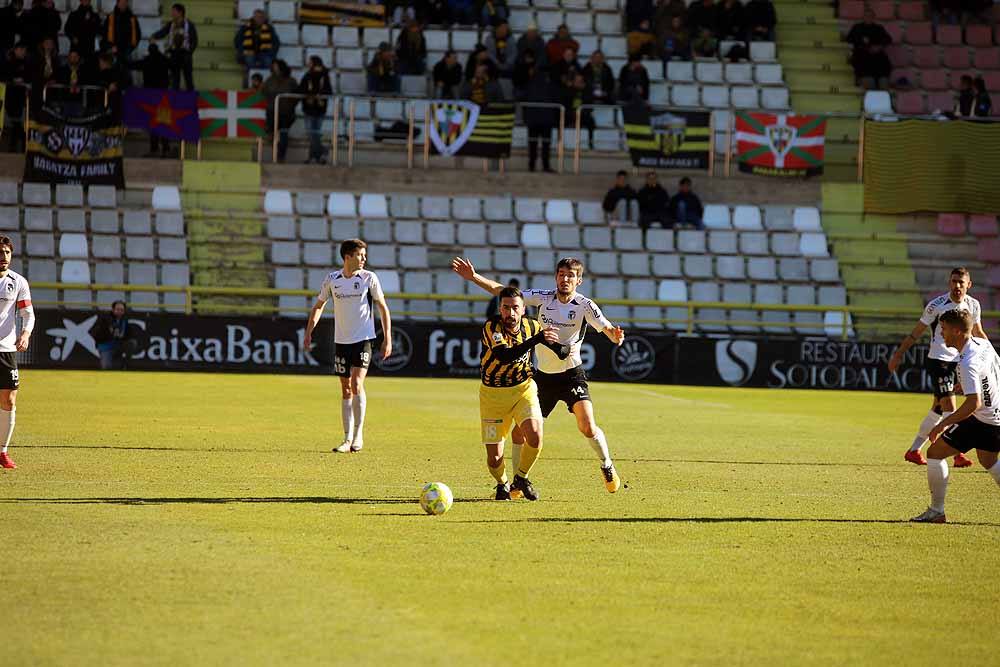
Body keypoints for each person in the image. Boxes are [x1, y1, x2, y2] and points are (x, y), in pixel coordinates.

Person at [454, 257, 625, 494]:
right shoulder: (543, 297)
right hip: (542, 376)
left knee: (586, 426)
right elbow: (504, 292)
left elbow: (606, 327)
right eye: (561, 274)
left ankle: (607, 465)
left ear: (579, 280)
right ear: (556, 277)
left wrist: (615, 336)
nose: (565, 279)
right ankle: (517, 480)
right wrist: (473, 277)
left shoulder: (585, 305)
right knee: (519, 433)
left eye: (571, 275)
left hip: (571, 374)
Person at [888, 267, 985, 469]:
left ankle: (914, 450)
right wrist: (898, 354)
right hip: (939, 361)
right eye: (954, 281)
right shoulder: (936, 305)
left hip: (960, 362)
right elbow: (916, 332)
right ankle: (957, 453)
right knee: (951, 408)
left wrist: (992, 356)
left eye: (961, 282)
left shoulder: (974, 305)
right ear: (949, 283)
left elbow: (978, 333)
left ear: (969, 284)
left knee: (937, 411)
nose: (957, 286)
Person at [910, 309, 1000, 523]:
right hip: (996, 415)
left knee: (934, 453)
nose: (941, 334)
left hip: (983, 420)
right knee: (988, 461)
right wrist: (970, 385)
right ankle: (936, 511)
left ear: (958, 331)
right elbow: (994, 367)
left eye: (944, 329)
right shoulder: (983, 344)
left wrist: (942, 424)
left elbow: (972, 403)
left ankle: (936, 511)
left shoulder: (967, 362)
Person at [303, 239, 392, 454]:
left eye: (364, 255)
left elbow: (383, 308)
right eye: (360, 255)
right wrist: (308, 331)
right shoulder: (332, 280)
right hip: (341, 341)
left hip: (364, 339)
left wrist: (387, 338)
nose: (364, 259)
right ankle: (346, 438)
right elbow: (318, 306)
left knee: (356, 383)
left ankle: (358, 435)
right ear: (347, 257)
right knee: (345, 389)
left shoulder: (369, 278)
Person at [472, 284, 559, 500]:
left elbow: (559, 348)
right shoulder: (492, 327)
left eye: (515, 308)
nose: (510, 313)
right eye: (505, 308)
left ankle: (521, 477)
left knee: (536, 436)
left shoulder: (533, 326)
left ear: (523, 309)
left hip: (523, 389)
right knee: (494, 458)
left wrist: (566, 347)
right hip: (493, 396)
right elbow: (504, 356)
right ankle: (502, 484)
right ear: (500, 309)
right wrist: (537, 339)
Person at [0, 236, 34, 470]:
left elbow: (28, 313)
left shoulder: (18, 281)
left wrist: (25, 334)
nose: (3, 257)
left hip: (6, 349)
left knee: (9, 399)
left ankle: (2, 451)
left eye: (7, 253)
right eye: (0, 252)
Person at [129, 42, 171, 156]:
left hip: (150, 96)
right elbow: (175, 65)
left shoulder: (146, 61)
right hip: (163, 96)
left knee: (153, 124)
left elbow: (132, 65)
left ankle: (154, 149)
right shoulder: (164, 59)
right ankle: (166, 149)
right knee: (163, 123)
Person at [518, 55, 557, 172]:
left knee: (533, 143)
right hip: (546, 118)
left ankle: (532, 165)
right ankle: (545, 165)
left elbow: (522, 97)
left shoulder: (530, 82)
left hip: (534, 118)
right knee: (545, 144)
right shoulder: (550, 83)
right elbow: (556, 98)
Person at [152, 3, 198, 91]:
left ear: (180, 12)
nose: (172, 13)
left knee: (188, 80)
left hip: (185, 55)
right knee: (175, 80)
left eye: (174, 11)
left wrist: (189, 52)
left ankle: (191, 100)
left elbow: (194, 41)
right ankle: (175, 101)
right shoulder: (170, 24)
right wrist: (153, 36)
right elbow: (163, 32)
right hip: (174, 54)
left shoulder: (190, 25)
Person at [846, 8, 892, 90]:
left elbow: (888, 39)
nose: (868, 17)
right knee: (869, 80)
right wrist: (861, 41)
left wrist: (879, 47)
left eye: (870, 16)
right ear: (863, 17)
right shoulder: (857, 27)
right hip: (862, 56)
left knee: (883, 79)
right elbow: (849, 39)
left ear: (874, 18)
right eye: (866, 16)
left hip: (877, 57)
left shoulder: (879, 28)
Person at [298, 55, 332, 165]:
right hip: (309, 108)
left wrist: (318, 96)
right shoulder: (307, 75)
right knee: (313, 134)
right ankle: (322, 152)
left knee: (314, 133)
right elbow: (301, 89)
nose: (308, 64)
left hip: (319, 108)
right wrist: (310, 96)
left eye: (310, 62)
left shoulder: (324, 76)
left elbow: (328, 91)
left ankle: (313, 156)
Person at [263, 59, 297, 162]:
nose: (275, 68)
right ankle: (276, 154)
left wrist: (290, 105)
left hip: (286, 112)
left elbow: (296, 95)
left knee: (283, 134)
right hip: (271, 111)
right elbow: (263, 93)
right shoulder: (269, 80)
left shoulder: (291, 80)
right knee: (271, 134)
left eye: (276, 66)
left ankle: (281, 156)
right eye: (273, 66)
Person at [93, 300, 135, 370]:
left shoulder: (124, 320)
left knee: (132, 343)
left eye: (122, 310)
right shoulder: (105, 319)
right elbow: (95, 334)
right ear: (113, 310)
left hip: (118, 345)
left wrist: (121, 337)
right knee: (106, 367)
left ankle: (125, 363)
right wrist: (109, 334)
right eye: (117, 309)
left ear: (124, 311)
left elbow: (130, 335)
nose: (119, 312)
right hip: (106, 347)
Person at [102, 0, 142, 66]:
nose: (123, 4)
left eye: (125, 2)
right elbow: (104, 34)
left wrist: (130, 48)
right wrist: (110, 47)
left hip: (127, 52)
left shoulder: (132, 18)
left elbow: (137, 35)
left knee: (126, 72)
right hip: (113, 52)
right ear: (117, 3)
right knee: (112, 74)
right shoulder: (110, 17)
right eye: (122, 2)